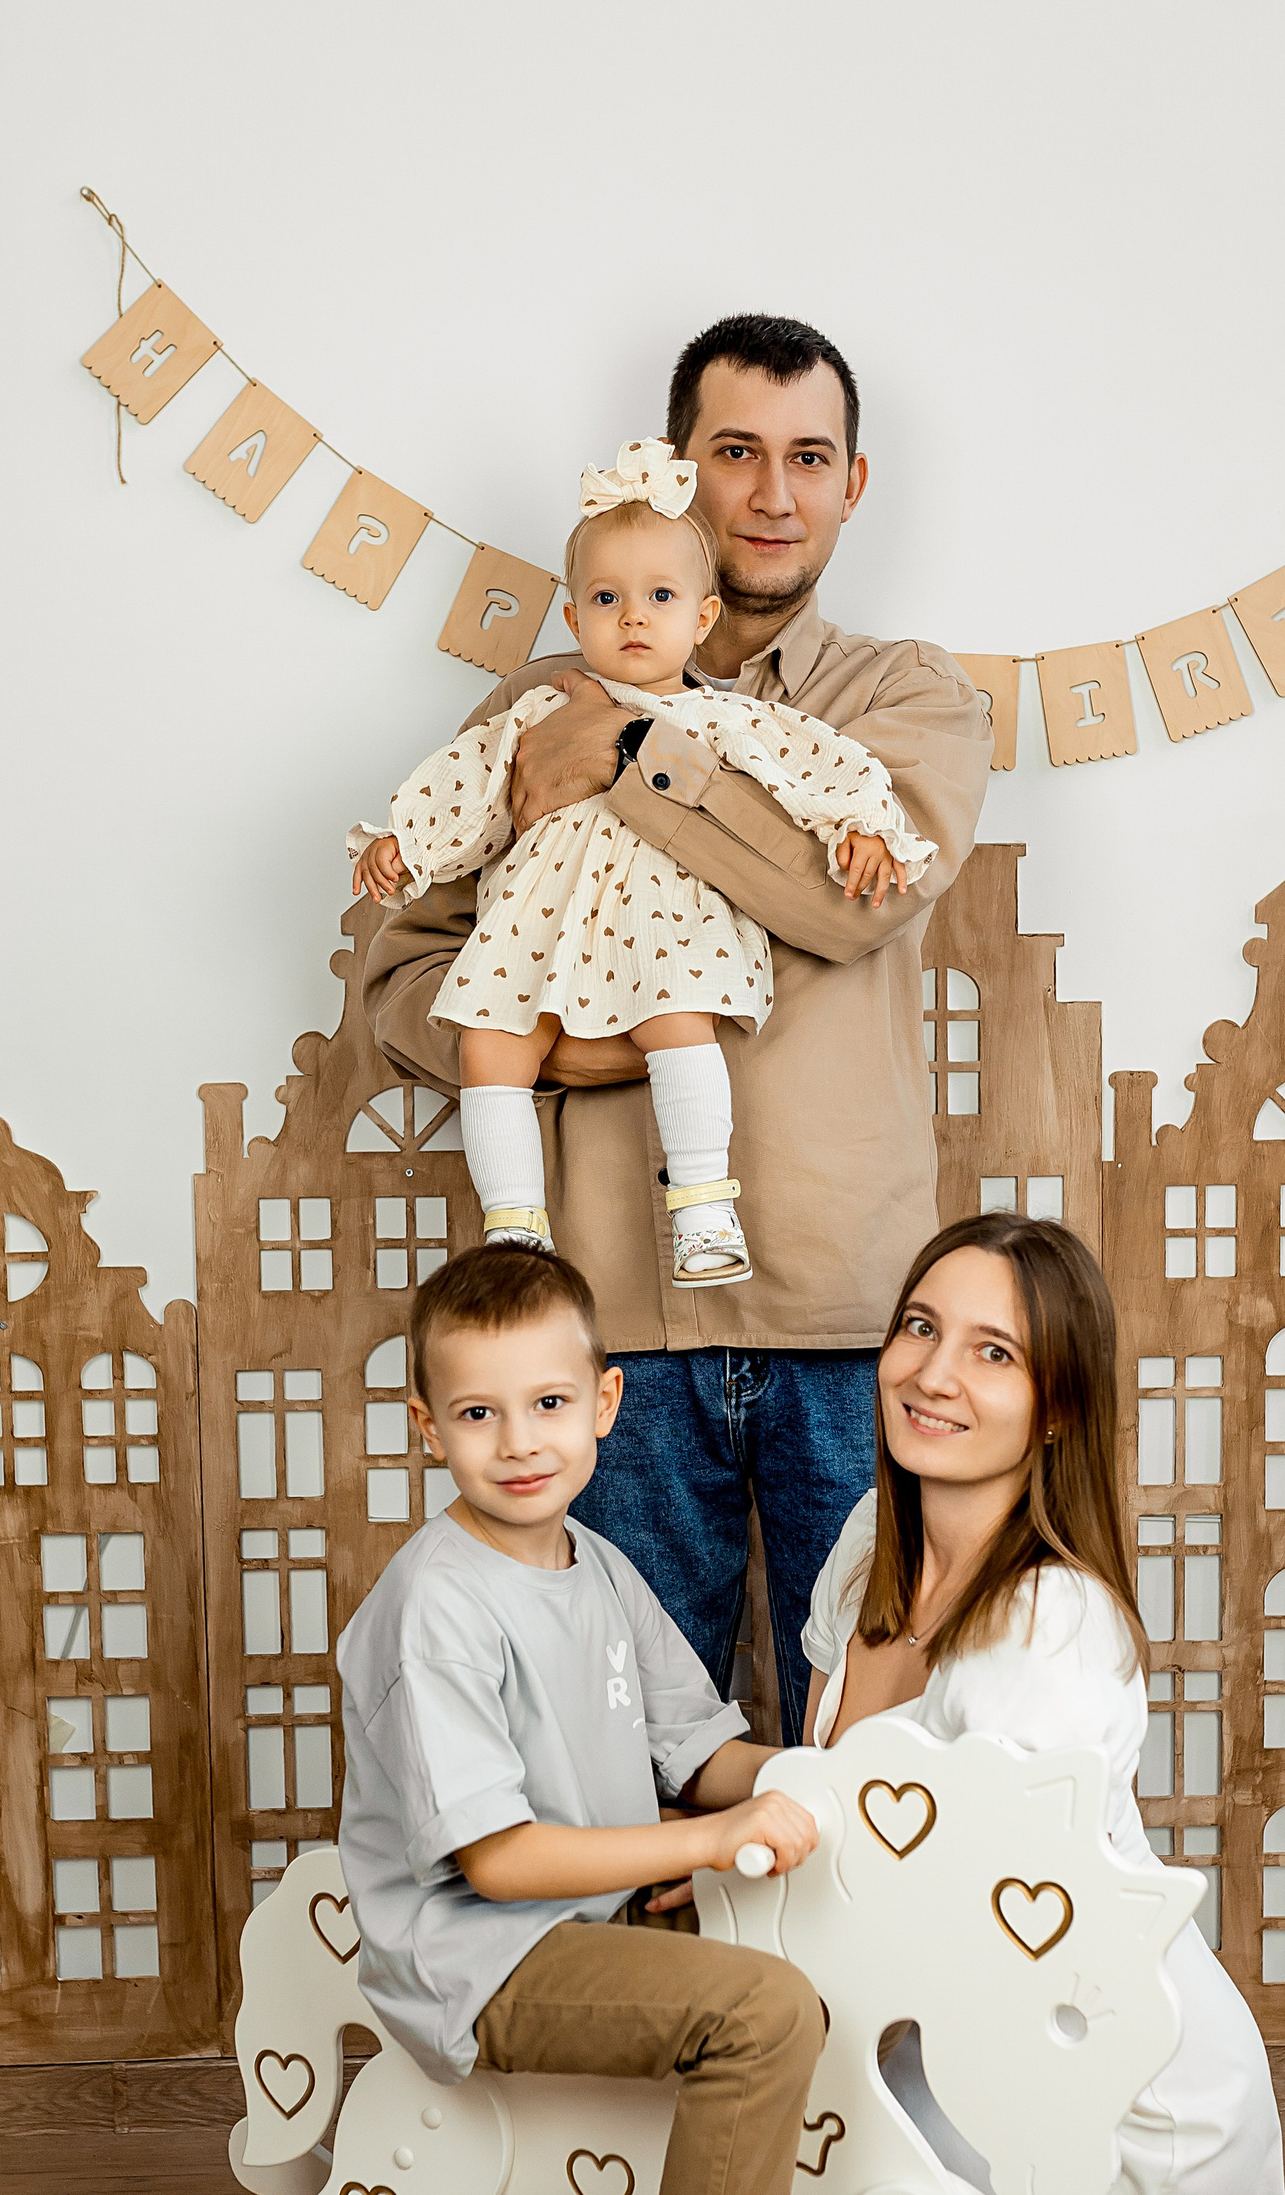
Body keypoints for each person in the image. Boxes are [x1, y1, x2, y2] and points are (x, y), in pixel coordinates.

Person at [364, 316, 991, 1737]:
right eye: (736, 452)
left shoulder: (906, 701)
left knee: (873, 1739)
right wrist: (566, 1048)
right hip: (607, 1334)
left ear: (854, 484)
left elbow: (851, 908)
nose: (771, 494)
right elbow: (404, 976)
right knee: (627, 1744)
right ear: (674, 469)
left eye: (809, 458)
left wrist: (635, 752)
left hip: (846, 1324)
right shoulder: (534, 711)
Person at [333, 1240, 827, 2195]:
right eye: (478, 1413)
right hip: (481, 1958)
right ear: (428, 1428)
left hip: (590, 1923)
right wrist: (700, 1843)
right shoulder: (435, 1603)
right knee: (765, 2012)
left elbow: (701, 1750)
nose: (519, 1443)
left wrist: (839, 1786)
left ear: (605, 1405)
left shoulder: (598, 1568)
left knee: (820, 1942)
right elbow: (495, 1863)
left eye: (548, 1403)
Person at [800, 1211, 1285, 2195]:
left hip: (1093, 2073)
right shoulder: (870, 1546)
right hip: (935, 2035)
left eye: (993, 1353)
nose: (933, 1374)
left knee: (762, 2092)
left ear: (1057, 1407)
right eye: (920, 1328)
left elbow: (982, 1929)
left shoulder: (1048, 1626)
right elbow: (814, 1793)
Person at [350, 439, 927, 1288]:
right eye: (607, 599)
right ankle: (514, 1223)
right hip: (541, 927)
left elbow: (814, 764)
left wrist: (864, 825)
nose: (632, 618)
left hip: (662, 923)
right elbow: (469, 782)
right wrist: (407, 840)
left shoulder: (718, 718)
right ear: (573, 619)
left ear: (701, 617)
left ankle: (702, 1205)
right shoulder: (535, 710)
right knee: (490, 1047)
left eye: (659, 597)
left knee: (679, 1025)